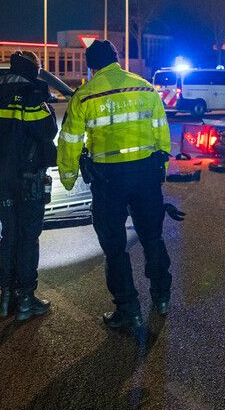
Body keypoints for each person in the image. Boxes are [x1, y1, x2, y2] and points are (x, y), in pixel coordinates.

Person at [57, 40, 172, 332]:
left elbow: (70, 141)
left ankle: (127, 308)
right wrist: (162, 170)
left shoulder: (84, 95)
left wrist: (68, 177)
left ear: (91, 66)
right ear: (117, 59)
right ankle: (161, 296)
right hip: (146, 173)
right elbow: (161, 130)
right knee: (152, 237)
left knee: (115, 246)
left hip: (109, 180)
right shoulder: (145, 87)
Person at [0, 51, 57, 321]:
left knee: (9, 235)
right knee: (27, 237)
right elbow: (47, 131)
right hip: (28, 177)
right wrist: (46, 101)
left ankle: (5, 298)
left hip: (0, 177)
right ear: (33, 68)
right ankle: (26, 299)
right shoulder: (31, 93)